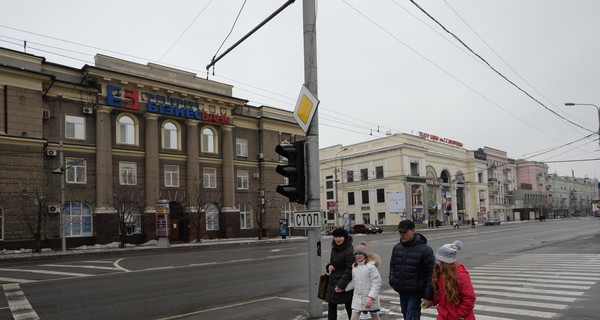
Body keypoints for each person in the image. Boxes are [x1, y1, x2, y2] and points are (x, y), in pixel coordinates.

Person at [389, 220, 435, 320]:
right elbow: (393, 266)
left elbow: (431, 274)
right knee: (406, 316)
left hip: (416, 292)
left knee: (411, 317)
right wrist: (392, 281)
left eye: (404, 232)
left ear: (413, 230)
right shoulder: (397, 248)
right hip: (401, 290)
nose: (402, 235)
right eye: (400, 232)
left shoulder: (425, 250)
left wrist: (428, 296)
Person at [430, 240, 476, 320]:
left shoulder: (461, 275)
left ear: (447, 262)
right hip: (444, 315)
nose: (437, 263)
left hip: (458, 317)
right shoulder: (441, 272)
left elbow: (469, 297)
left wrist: (460, 314)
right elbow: (440, 294)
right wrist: (431, 301)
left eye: (440, 261)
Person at [345, 242, 382, 320]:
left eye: (360, 253)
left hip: (369, 297)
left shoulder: (371, 267)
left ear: (365, 254)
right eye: (356, 253)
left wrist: (371, 298)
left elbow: (376, 283)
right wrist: (344, 288)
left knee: (374, 315)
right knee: (354, 316)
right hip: (357, 298)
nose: (358, 255)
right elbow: (354, 281)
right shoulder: (354, 266)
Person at [325, 228, 354, 320]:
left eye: (340, 237)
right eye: (336, 237)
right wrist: (329, 266)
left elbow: (350, 269)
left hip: (345, 284)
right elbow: (332, 262)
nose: (337, 239)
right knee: (332, 306)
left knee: (349, 306)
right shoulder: (334, 248)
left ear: (345, 237)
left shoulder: (349, 250)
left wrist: (341, 285)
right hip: (333, 281)